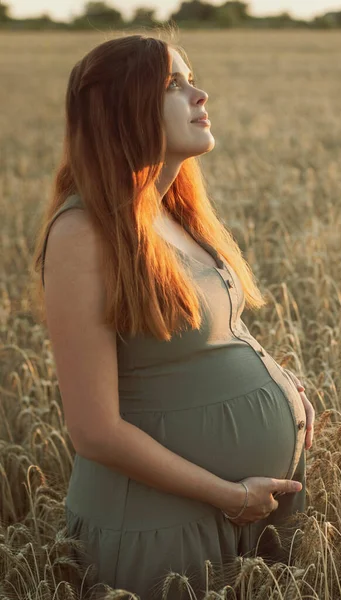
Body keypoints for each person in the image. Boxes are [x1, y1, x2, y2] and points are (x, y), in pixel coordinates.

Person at [32, 29, 315, 600]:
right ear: (121, 110)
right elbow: (94, 431)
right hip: (163, 524)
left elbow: (205, 338)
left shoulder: (171, 210)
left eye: (192, 79)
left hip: (245, 501)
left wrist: (289, 394)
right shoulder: (82, 232)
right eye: (173, 84)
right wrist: (230, 496)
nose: (200, 94)